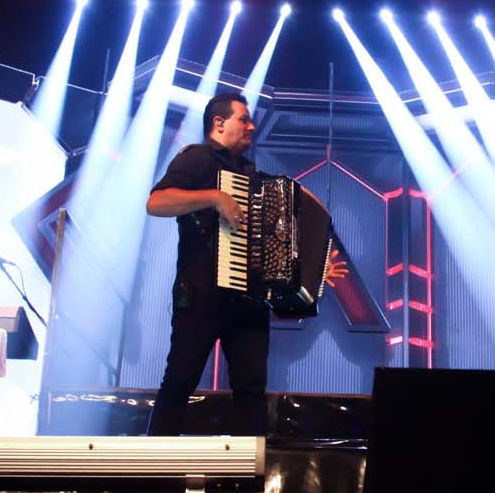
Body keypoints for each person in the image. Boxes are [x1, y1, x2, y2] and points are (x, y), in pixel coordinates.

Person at [145, 92, 346, 435]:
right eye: (244, 119)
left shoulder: (253, 178)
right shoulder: (197, 158)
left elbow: (275, 244)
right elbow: (156, 203)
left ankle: (249, 466)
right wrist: (214, 196)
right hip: (202, 295)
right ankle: (153, 460)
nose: (252, 126)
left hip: (248, 300)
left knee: (252, 389)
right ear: (219, 123)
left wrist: (312, 271)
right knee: (180, 378)